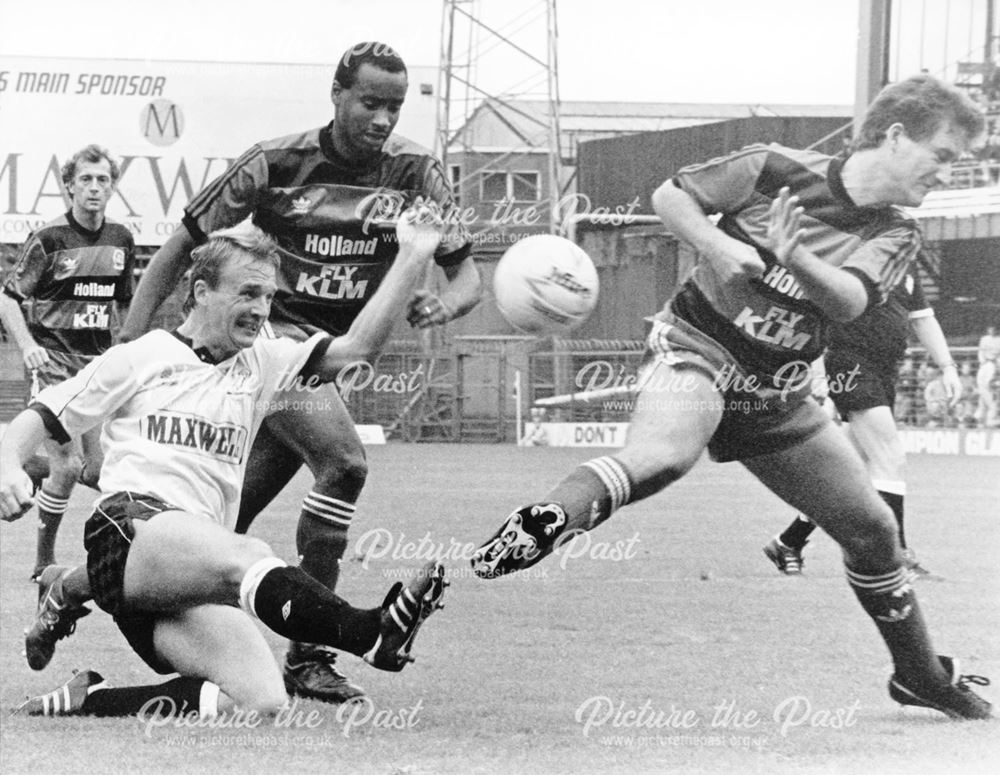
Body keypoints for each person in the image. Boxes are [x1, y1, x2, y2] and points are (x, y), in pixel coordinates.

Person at [470, 74, 991, 719]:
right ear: (894, 136)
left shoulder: (897, 233)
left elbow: (849, 301)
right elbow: (671, 194)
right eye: (942, 156)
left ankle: (919, 676)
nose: (945, 173)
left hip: (775, 393)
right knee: (665, 455)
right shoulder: (772, 164)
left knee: (873, 530)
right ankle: (546, 521)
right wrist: (716, 244)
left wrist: (791, 256)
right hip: (698, 347)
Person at [114, 41, 480, 703]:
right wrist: (133, 338)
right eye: (369, 101)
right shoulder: (274, 162)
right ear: (337, 94)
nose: (381, 117)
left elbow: (467, 273)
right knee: (345, 463)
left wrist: (444, 302)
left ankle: (75, 587)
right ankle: (311, 654)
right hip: (268, 345)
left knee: (221, 525)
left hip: (328, 359)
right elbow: (182, 243)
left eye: (393, 106)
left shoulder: (416, 173)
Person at [1, 214, 448, 717]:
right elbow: (38, 417)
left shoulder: (264, 361)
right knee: (248, 553)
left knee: (262, 703)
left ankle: (91, 698)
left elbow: (356, 351)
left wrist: (414, 254)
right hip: (126, 534)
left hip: (186, 577)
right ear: (201, 290)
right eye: (248, 293)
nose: (261, 310)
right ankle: (369, 631)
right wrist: (8, 466)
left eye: (269, 298)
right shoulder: (142, 356)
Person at [763, 269, 961, 577]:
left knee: (847, 476)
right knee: (890, 457)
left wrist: (948, 367)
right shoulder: (852, 259)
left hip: (886, 370)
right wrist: (815, 372)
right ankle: (896, 558)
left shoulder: (904, 267)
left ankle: (788, 542)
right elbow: (813, 314)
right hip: (850, 364)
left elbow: (922, 318)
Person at [0, 144, 136, 579]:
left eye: (103, 180)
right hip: (52, 365)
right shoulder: (49, 240)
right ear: (69, 186)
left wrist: (129, 352)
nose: (94, 188)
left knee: (97, 470)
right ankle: (43, 561)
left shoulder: (121, 240)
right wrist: (28, 347)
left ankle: (24, 464)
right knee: (70, 465)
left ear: (112, 186)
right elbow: (7, 299)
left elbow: (127, 305)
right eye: (86, 180)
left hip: (95, 368)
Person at [974, 324, 1000, 428]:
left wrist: (997, 365)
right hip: (984, 364)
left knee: (987, 388)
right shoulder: (984, 339)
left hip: (994, 364)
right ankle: (982, 413)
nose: (991, 330)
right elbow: (981, 351)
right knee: (981, 385)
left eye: (993, 329)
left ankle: (986, 413)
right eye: (990, 328)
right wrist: (982, 362)